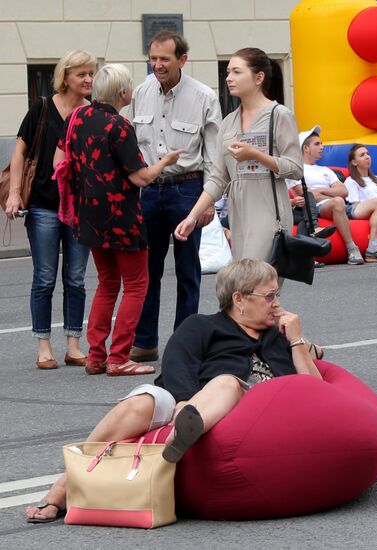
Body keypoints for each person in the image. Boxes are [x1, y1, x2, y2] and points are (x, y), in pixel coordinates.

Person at [25, 258, 321, 523]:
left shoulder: (280, 336)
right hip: (194, 399)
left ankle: (184, 430)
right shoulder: (202, 326)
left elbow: (317, 393)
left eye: (276, 296)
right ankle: (63, 486)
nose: (276, 303)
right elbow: (177, 365)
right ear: (239, 299)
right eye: (269, 296)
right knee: (142, 400)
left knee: (229, 382)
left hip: (252, 408)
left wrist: (297, 340)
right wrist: (183, 402)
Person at [54, 64, 181, 376]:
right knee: (137, 285)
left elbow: (62, 158)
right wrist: (166, 160)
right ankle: (119, 357)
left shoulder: (77, 117)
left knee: (107, 284)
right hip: (121, 217)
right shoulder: (120, 126)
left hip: (89, 215)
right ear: (123, 93)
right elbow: (141, 178)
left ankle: (96, 356)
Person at [127, 30, 222, 363]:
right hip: (150, 192)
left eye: (164, 59)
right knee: (146, 271)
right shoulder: (141, 93)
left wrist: (207, 202)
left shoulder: (204, 96)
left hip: (187, 189)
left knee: (187, 270)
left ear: (182, 59)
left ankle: (183, 343)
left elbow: (214, 155)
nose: (157, 65)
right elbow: (133, 148)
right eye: (152, 59)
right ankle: (145, 341)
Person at [5, 50, 96, 370]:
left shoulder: (91, 113)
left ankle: (73, 344)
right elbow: (20, 152)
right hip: (44, 206)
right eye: (82, 74)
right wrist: (15, 193)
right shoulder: (42, 107)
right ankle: (44, 346)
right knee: (44, 278)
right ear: (65, 76)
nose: (88, 79)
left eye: (91, 74)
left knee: (76, 278)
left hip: (80, 208)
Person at [174, 47, 303, 263]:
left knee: (257, 282)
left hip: (269, 208)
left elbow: (295, 168)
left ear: (259, 77)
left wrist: (256, 155)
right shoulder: (228, 122)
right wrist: (192, 217)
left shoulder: (279, 114)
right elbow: (218, 178)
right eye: (228, 72)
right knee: (248, 286)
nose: (229, 78)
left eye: (236, 72)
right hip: (238, 212)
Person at [286, 126, 377, 264]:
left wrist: (321, 191)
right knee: (338, 201)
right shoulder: (297, 170)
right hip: (317, 208)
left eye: (321, 143)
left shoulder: (326, 170)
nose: (322, 147)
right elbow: (305, 195)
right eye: (317, 144)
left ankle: (373, 248)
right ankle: (352, 249)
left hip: (340, 205)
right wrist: (331, 194)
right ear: (306, 148)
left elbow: (344, 191)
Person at [345, 144, 377, 220]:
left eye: (368, 154)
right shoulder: (350, 181)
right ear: (354, 162)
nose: (367, 157)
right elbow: (356, 208)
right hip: (371, 212)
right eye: (362, 155)